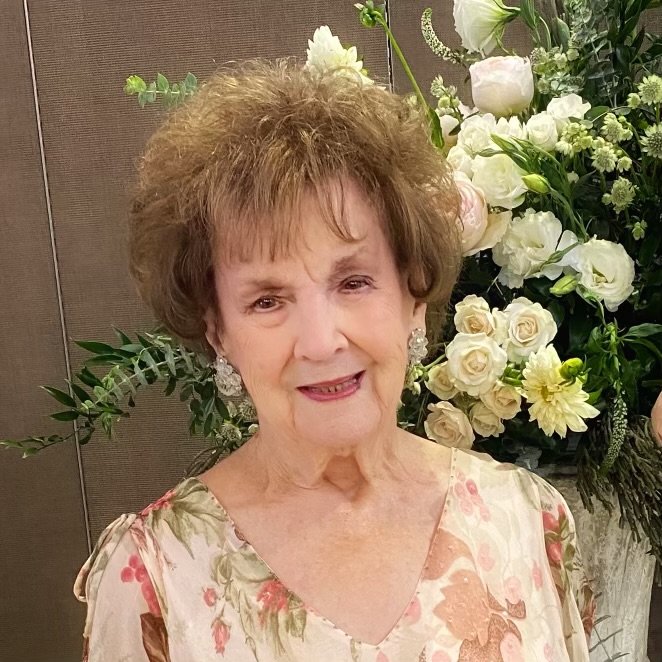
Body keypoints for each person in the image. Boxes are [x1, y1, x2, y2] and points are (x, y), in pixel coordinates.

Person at [74, 57, 596, 661]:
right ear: (218, 331)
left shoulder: (528, 521)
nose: (321, 342)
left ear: (413, 295)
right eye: (267, 300)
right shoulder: (155, 579)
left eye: (353, 282)